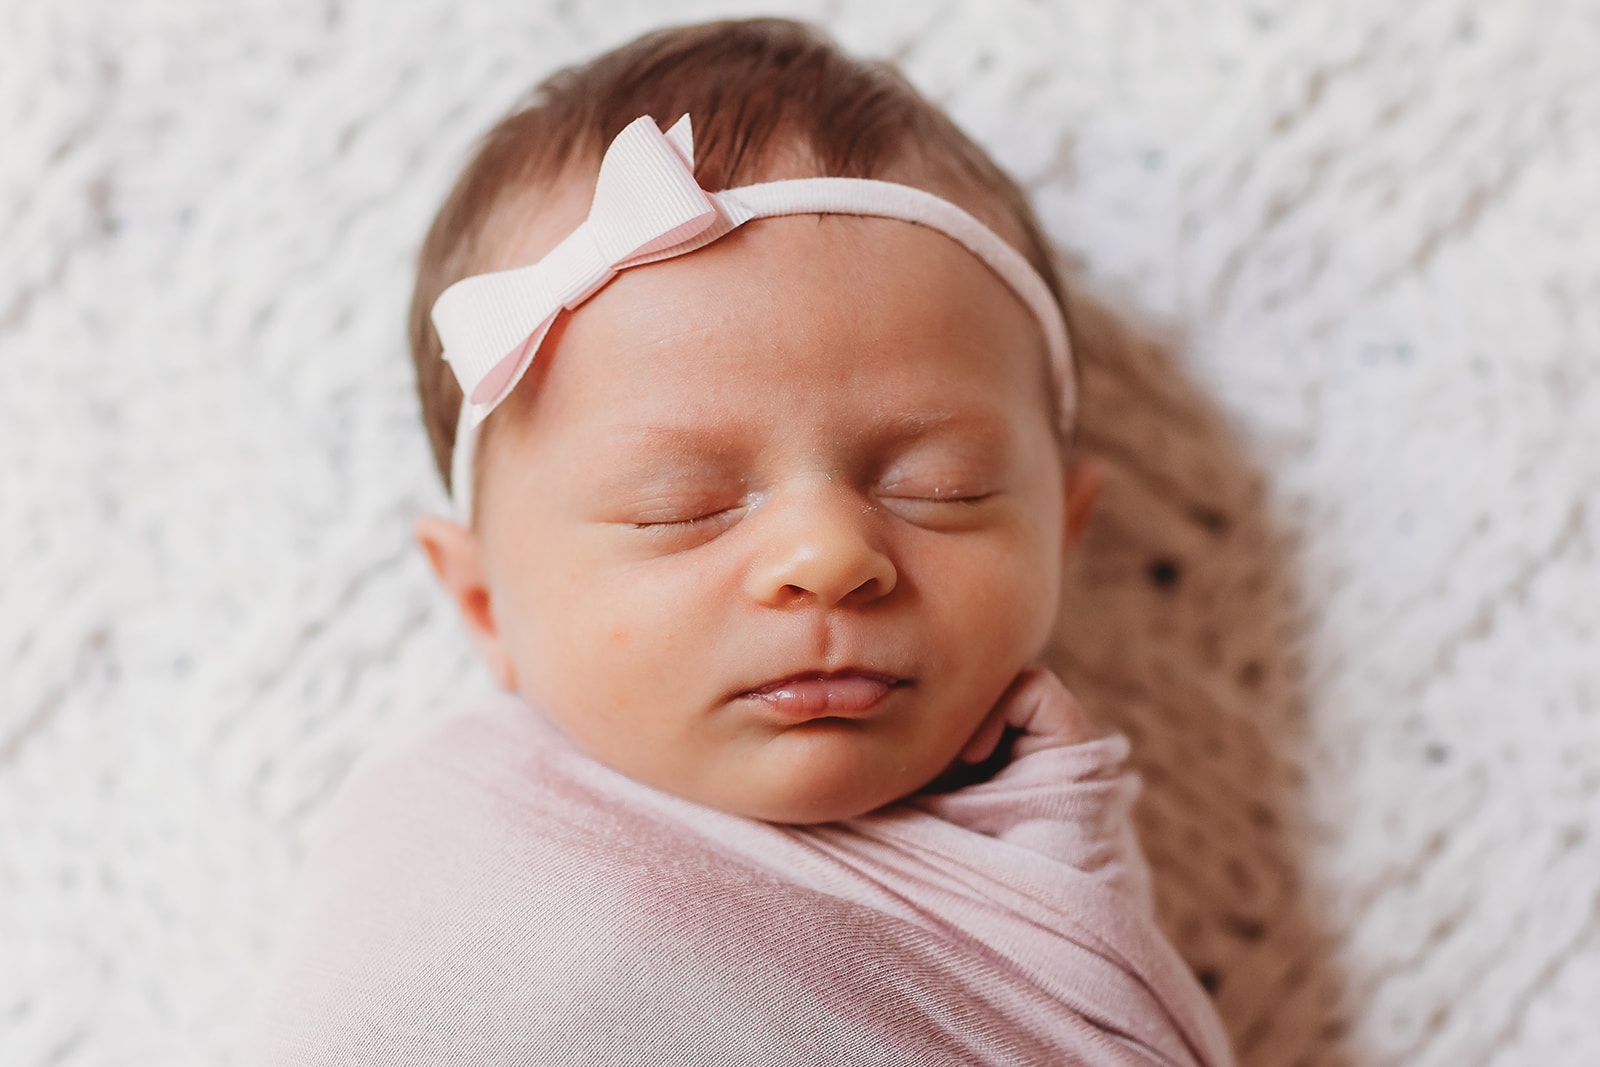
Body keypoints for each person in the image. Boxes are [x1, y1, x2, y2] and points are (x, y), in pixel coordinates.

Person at [238, 18, 1236, 1066]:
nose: (826, 554)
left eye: (943, 488)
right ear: (484, 603)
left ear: (1060, 536)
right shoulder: (438, 869)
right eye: (680, 507)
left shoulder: (1050, 866)